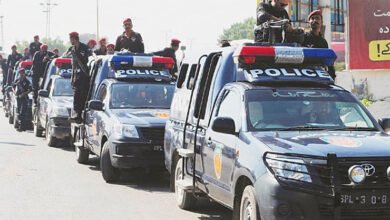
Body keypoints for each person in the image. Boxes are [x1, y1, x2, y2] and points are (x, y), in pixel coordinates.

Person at [302, 10, 336, 79]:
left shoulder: (323, 42)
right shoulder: (303, 38)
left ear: (321, 22)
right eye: (312, 18)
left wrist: (332, 76)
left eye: (317, 18)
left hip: (319, 76)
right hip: (305, 74)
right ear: (309, 23)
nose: (315, 20)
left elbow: (328, 62)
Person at [67, 32, 91, 123]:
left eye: (71, 39)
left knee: (82, 94)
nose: (70, 41)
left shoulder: (84, 48)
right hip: (76, 75)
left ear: (74, 38)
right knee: (76, 94)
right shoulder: (72, 49)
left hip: (84, 75)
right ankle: (77, 113)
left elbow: (86, 60)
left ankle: (80, 114)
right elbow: (72, 63)